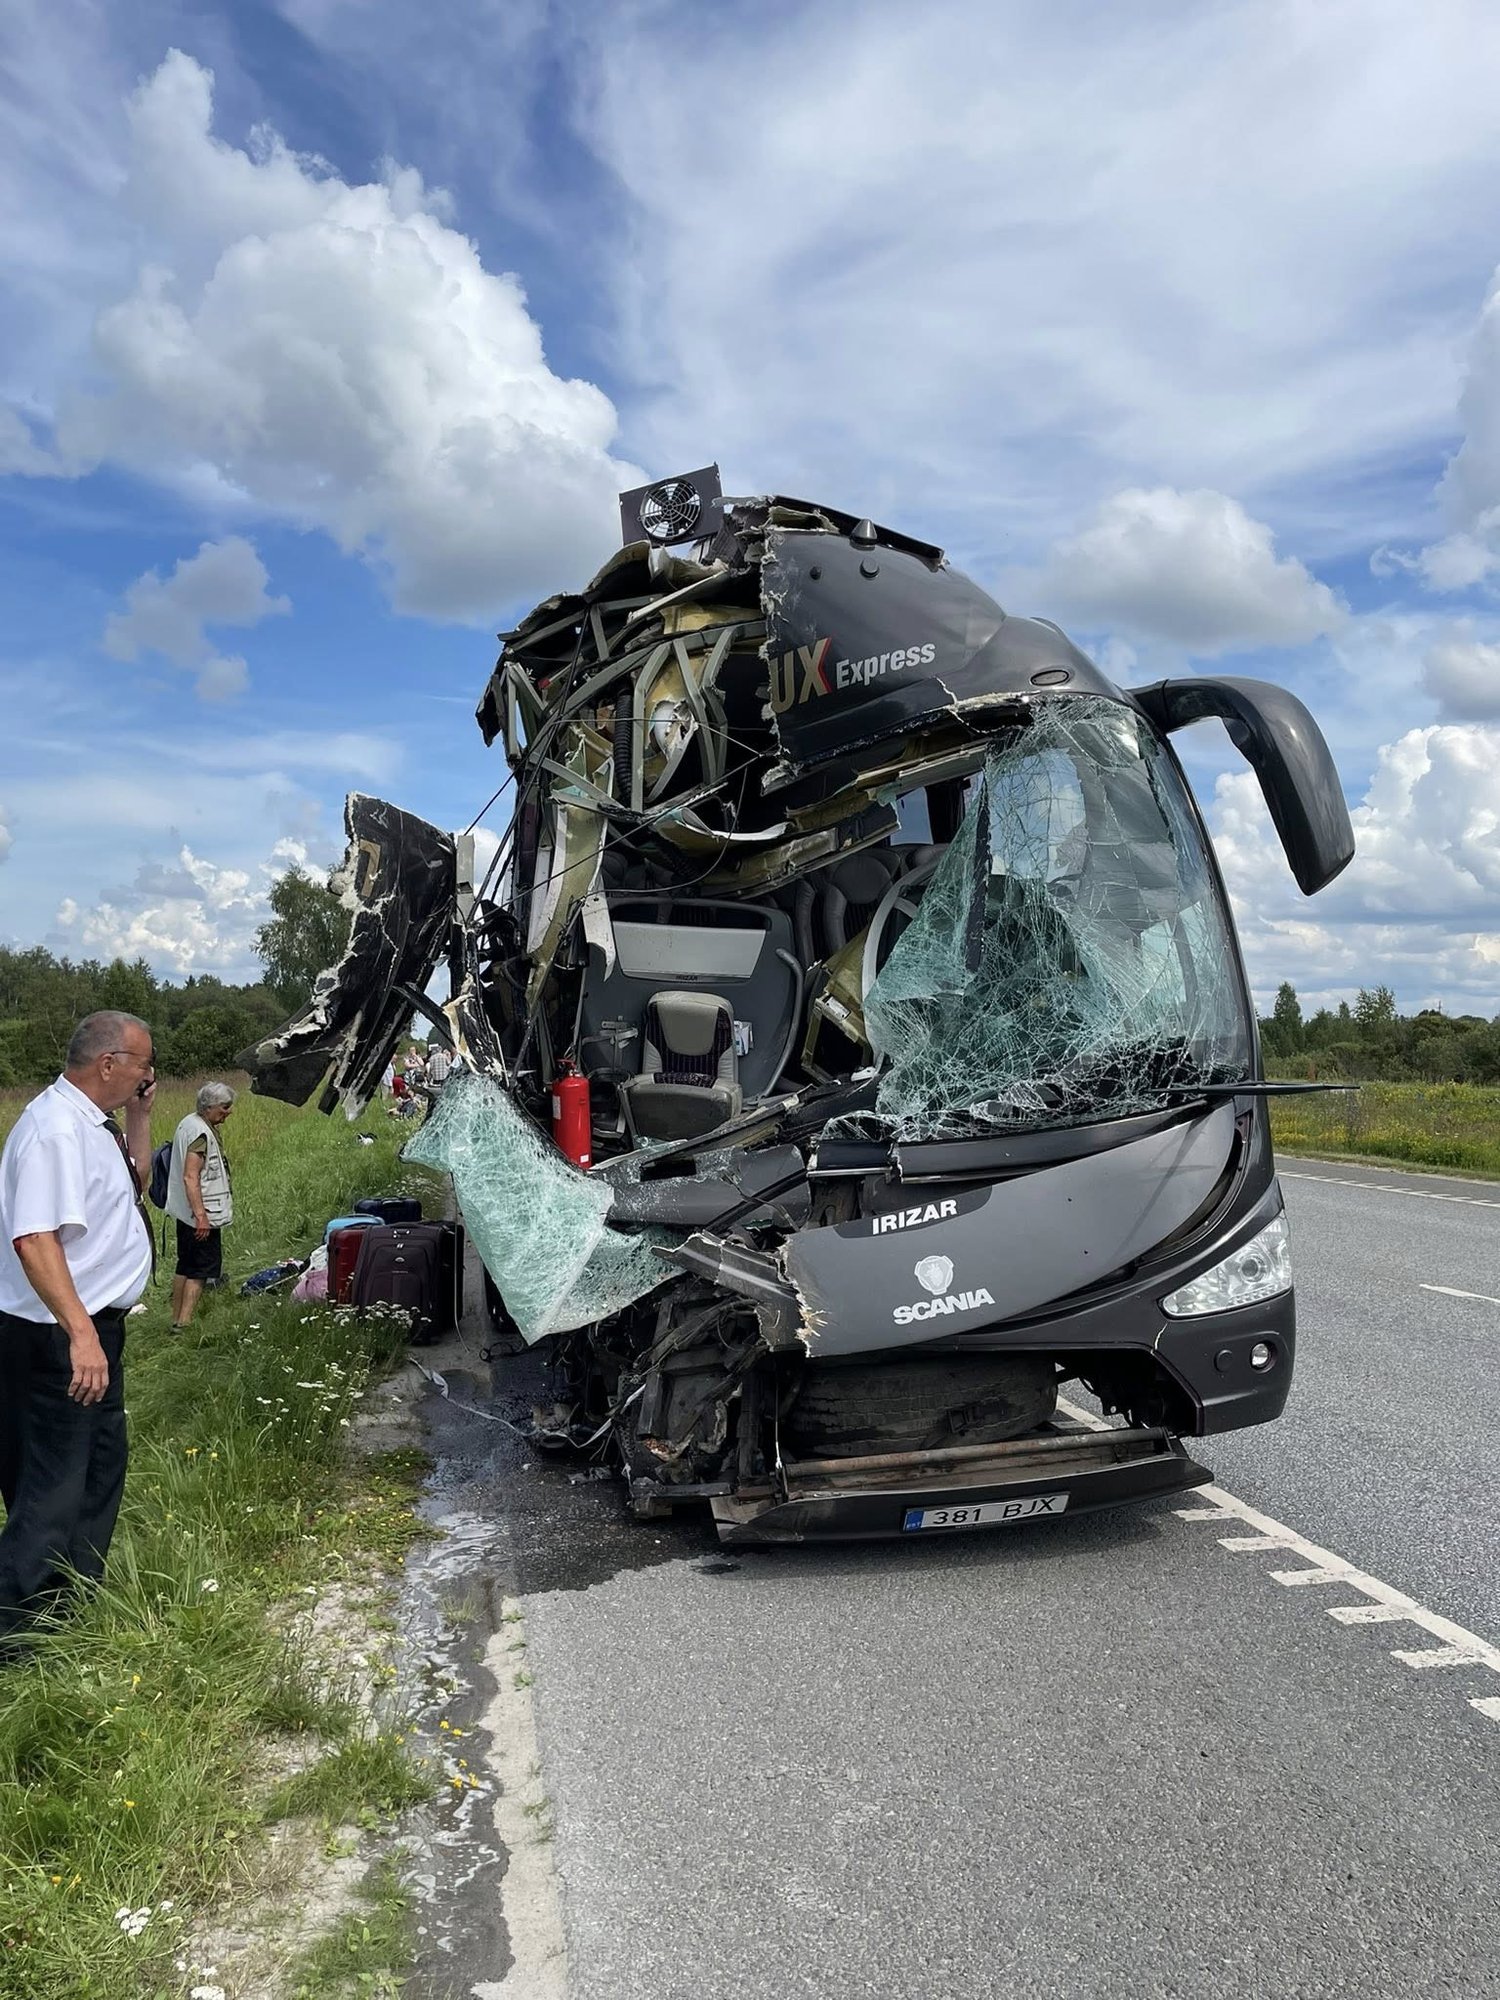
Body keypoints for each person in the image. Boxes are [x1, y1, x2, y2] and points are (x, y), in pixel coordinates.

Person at [0, 1010, 155, 1644]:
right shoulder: (54, 1131)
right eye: (144, 1062)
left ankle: (70, 1610)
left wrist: (143, 1118)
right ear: (108, 1064)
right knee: (51, 1490)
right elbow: (33, 1238)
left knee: (99, 1468)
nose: (151, 1073)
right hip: (60, 1337)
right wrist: (81, 1335)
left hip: (91, 1331)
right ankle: (16, 1635)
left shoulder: (98, 1126)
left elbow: (137, 1186)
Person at [165, 1082, 235, 1331]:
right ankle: (184, 1324)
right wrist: (201, 1216)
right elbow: (190, 1176)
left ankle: (176, 1319)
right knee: (199, 1270)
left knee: (184, 1264)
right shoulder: (200, 1133)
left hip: (186, 1213)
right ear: (209, 1107)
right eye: (225, 1107)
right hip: (199, 1214)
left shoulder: (188, 1122)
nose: (229, 1112)